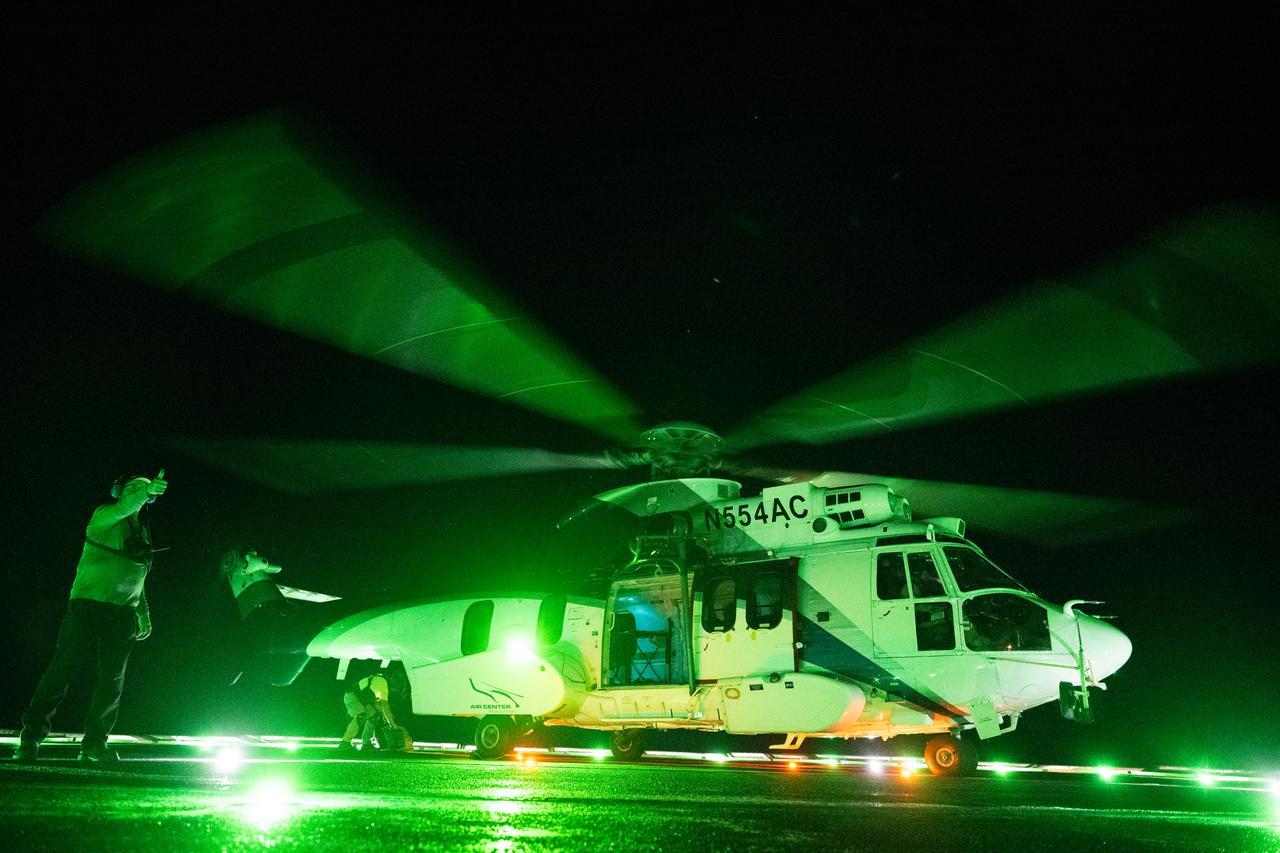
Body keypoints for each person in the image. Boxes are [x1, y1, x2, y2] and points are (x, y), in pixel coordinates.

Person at [14, 470, 169, 763]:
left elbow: (138, 573)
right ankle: (30, 739)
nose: (140, 490)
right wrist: (147, 493)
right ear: (120, 492)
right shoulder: (104, 516)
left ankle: (94, 745)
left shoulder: (141, 530)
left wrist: (143, 612)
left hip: (122, 613)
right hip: (87, 606)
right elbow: (127, 507)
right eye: (134, 487)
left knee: (112, 680)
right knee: (61, 672)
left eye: (145, 488)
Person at [339, 672, 405, 752]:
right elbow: (385, 706)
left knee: (374, 716)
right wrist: (392, 724)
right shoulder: (383, 683)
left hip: (362, 700)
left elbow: (377, 704)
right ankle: (345, 742)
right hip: (352, 697)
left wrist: (385, 715)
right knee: (361, 715)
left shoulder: (380, 682)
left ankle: (366, 743)